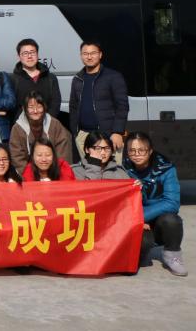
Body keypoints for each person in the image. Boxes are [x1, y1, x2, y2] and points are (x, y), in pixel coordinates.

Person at [123, 132, 186, 276]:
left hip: (155, 218)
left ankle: (172, 255)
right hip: (136, 219)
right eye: (132, 151)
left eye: (141, 150)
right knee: (143, 245)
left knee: (171, 220)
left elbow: (172, 202)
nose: (136, 155)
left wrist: (140, 217)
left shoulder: (166, 168)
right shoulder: (123, 168)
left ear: (150, 150)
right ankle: (141, 252)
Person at [69, 40, 128, 162]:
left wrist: (117, 132)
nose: (89, 57)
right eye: (85, 53)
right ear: (81, 56)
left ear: (100, 55)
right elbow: (73, 106)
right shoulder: (77, 79)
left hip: (109, 135)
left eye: (93, 53)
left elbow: (122, 106)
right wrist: (76, 132)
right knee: (88, 171)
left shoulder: (113, 77)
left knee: (112, 170)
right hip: (84, 136)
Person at [9, 92, 72, 173]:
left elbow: (63, 154)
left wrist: (53, 174)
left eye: (39, 107)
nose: (35, 111)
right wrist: (32, 175)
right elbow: (17, 158)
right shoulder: (17, 129)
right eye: (31, 107)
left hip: (53, 172)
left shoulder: (55, 124)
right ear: (24, 109)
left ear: (44, 108)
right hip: (28, 174)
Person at [10, 39, 62, 126]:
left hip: (47, 126)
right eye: (25, 53)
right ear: (19, 56)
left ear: (37, 54)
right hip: (22, 128)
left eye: (32, 52)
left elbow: (55, 103)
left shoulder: (50, 78)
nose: (29, 56)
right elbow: (12, 108)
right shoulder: (13, 79)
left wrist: (46, 123)